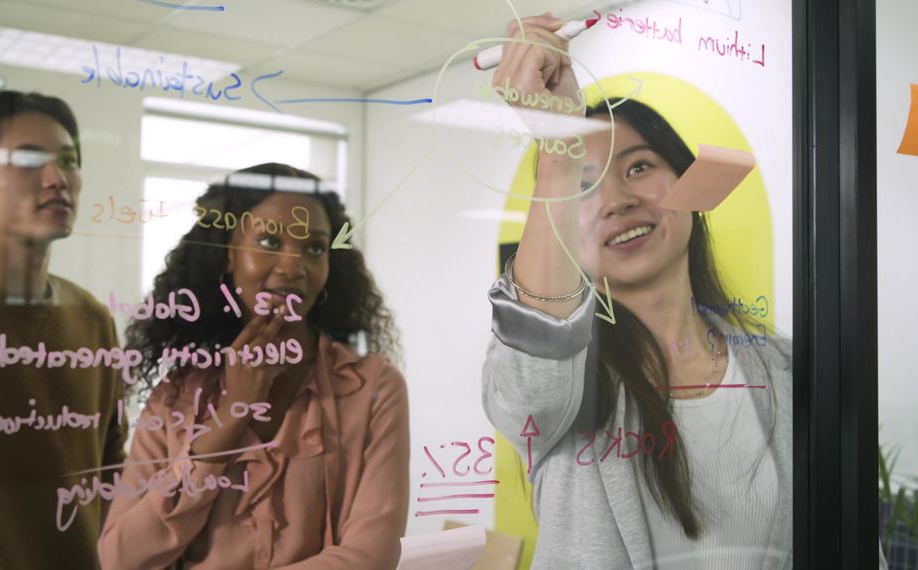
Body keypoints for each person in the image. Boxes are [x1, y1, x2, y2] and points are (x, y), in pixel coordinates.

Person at [480, 14, 793, 569]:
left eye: (640, 166)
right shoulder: (569, 389)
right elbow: (525, 386)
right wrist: (558, 150)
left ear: (689, 186)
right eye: (584, 186)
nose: (616, 200)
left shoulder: (785, 370)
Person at [98, 163, 409, 569]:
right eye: (269, 241)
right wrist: (230, 416)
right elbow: (119, 557)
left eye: (314, 248)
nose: (293, 267)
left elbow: (371, 556)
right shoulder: (176, 394)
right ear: (228, 255)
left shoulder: (374, 388)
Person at [0, 91, 128, 569]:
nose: (59, 178)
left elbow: (109, 472)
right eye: (29, 160)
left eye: (69, 161)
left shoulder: (92, 317)